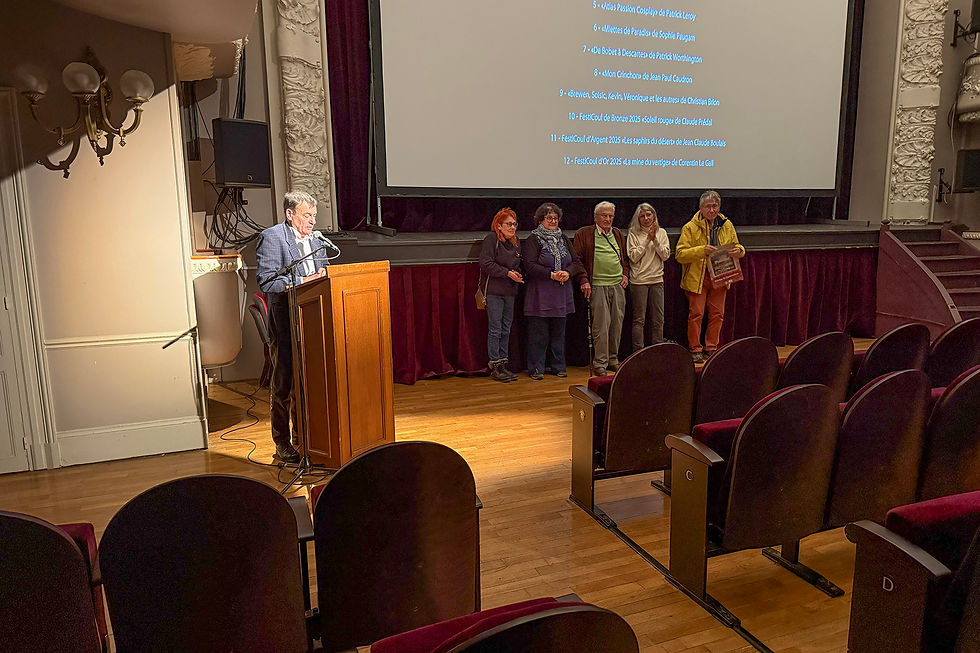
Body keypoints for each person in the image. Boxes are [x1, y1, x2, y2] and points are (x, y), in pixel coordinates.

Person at [255, 190, 330, 463]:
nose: (312, 222)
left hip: (313, 322)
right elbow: (267, 282)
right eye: (307, 216)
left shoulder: (318, 241)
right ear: (290, 214)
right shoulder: (273, 237)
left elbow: (323, 277)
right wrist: (302, 281)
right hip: (285, 323)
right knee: (284, 384)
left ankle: (310, 438)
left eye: (314, 216)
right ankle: (282, 443)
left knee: (311, 383)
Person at [675, 190, 745, 363]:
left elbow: (737, 246)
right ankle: (695, 348)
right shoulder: (690, 227)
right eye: (708, 206)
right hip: (698, 278)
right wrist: (701, 250)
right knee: (696, 314)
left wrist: (740, 251)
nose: (712, 210)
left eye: (715, 206)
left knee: (717, 314)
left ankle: (711, 347)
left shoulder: (727, 225)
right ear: (701, 208)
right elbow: (679, 254)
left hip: (721, 276)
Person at [523, 203, 584, 380]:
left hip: (561, 295)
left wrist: (568, 272)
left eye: (555, 218)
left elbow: (576, 262)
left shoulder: (564, 238)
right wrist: (551, 275)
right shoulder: (533, 239)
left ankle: (559, 367)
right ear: (540, 220)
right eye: (549, 218)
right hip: (540, 296)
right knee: (539, 335)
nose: (553, 221)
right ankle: (536, 369)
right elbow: (529, 266)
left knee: (559, 334)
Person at [572, 201, 630, 376]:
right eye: (604, 215)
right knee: (601, 326)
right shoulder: (584, 233)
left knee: (617, 324)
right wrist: (583, 280)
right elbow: (577, 260)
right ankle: (600, 362)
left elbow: (624, 259)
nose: (607, 219)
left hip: (618, 285)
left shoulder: (618, 234)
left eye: (610, 216)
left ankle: (613, 359)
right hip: (597, 285)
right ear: (595, 217)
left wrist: (625, 274)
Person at [479, 208, 524, 382]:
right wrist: (507, 273)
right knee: (495, 329)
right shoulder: (491, 239)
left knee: (506, 329)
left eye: (514, 224)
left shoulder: (515, 242)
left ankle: (504, 363)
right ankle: (495, 364)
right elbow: (486, 263)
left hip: (510, 291)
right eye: (509, 224)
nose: (512, 227)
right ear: (499, 226)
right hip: (494, 292)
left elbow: (517, 265)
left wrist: (517, 274)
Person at [626, 203, 671, 350]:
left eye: (649, 215)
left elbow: (665, 255)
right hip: (639, 281)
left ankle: (657, 350)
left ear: (654, 216)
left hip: (657, 280)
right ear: (637, 219)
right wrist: (647, 240)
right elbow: (633, 257)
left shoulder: (662, 232)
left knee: (658, 319)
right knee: (639, 320)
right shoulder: (633, 233)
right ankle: (638, 353)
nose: (646, 218)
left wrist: (655, 239)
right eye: (642, 216)